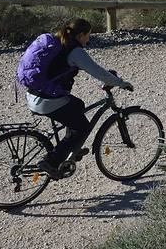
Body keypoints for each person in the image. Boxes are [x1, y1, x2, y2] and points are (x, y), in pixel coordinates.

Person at [16, 17, 132, 177]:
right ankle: (51, 161)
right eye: (88, 35)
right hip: (47, 101)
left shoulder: (58, 42)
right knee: (82, 127)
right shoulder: (75, 51)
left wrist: (107, 77)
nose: (88, 40)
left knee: (77, 105)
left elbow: (90, 69)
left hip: (34, 95)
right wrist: (121, 83)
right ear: (80, 35)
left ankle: (71, 148)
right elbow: (97, 71)